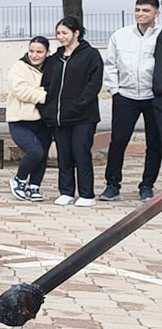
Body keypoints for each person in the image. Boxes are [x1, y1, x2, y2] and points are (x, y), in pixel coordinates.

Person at [40, 16, 104, 207]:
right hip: (59, 117)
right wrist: (48, 108)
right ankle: (66, 191)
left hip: (83, 116)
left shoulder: (90, 54)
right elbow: (47, 83)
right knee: (64, 154)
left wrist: (79, 103)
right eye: (58, 33)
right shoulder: (55, 58)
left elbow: (94, 83)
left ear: (76, 33)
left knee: (81, 152)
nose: (61, 37)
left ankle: (86, 194)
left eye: (65, 33)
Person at [101, 0, 159, 202]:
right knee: (118, 140)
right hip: (125, 96)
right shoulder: (120, 36)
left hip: (154, 97)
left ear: (156, 14)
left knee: (155, 143)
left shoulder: (160, 36)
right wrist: (115, 91)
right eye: (137, 10)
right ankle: (112, 185)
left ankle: (147, 185)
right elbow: (111, 65)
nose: (140, 14)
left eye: (146, 10)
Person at [6, 36, 52, 201]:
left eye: (39, 52)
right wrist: (45, 94)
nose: (34, 55)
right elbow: (21, 91)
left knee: (43, 155)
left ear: (47, 53)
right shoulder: (18, 68)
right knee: (35, 151)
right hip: (20, 121)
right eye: (31, 51)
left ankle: (34, 186)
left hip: (43, 121)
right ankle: (19, 179)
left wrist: (37, 90)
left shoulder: (51, 67)